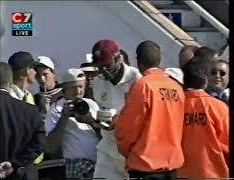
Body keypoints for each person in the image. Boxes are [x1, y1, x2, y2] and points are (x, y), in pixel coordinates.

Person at [115, 40, 185, 180]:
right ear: (159, 60)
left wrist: (125, 149)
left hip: (146, 166)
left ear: (138, 61)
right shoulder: (176, 87)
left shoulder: (143, 85)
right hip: (172, 166)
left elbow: (128, 128)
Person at [91, 39, 142, 179]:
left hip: (132, 150)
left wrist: (119, 121)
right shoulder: (97, 82)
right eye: (99, 66)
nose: (103, 71)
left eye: (107, 65)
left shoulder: (137, 79)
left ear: (118, 58)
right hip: (108, 150)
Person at [44, 68, 101, 179]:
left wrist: (91, 121)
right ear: (64, 88)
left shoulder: (92, 104)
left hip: (99, 163)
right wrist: (64, 117)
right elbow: (50, 147)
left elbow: (104, 136)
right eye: (74, 87)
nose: (78, 91)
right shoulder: (56, 108)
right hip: (77, 165)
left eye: (81, 87)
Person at [179, 60, 229, 178]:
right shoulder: (218, 108)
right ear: (206, 80)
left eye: (222, 73)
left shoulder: (177, 105)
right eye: (213, 72)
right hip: (213, 173)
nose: (218, 76)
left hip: (184, 173)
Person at [0, 62, 45, 180]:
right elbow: (39, 143)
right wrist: (15, 164)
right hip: (21, 174)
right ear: (10, 83)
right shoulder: (30, 111)